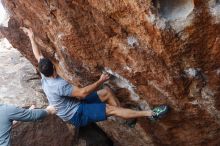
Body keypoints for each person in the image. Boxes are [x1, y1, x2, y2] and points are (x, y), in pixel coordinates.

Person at [21, 27, 169, 128]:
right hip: (75, 114)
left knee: (107, 93)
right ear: (53, 68)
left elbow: (38, 55)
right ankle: (151, 114)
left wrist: (31, 37)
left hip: (75, 103)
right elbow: (82, 93)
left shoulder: (44, 72)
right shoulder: (58, 85)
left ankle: (127, 119)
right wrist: (100, 80)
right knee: (110, 109)